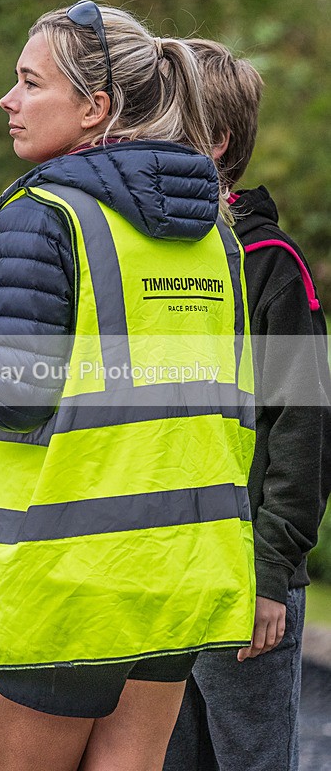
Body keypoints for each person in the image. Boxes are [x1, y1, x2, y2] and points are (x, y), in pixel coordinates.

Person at [0, 3, 257, 771]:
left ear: (95, 108)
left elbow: (17, 393)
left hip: (60, 583)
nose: (7, 100)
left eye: (28, 82)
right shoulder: (215, 231)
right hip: (175, 576)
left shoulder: (42, 214)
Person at [163, 39, 331, 771]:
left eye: (160, 117)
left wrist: (267, 576)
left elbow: (303, 435)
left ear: (215, 141)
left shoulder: (273, 269)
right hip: (163, 574)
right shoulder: (157, 265)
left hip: (243, 587)